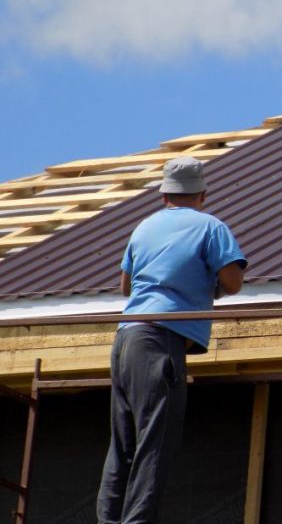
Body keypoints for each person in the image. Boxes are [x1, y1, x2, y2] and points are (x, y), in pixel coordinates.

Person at [97, 156, 247, 524]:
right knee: (155, 444)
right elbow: (232, 282)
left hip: (126, 339)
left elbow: (126, 286)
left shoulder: (144, 228)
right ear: (203, 194)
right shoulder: (210, 227)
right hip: (161, 342)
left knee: (124, 446)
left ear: (164, 194)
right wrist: (206, 286)